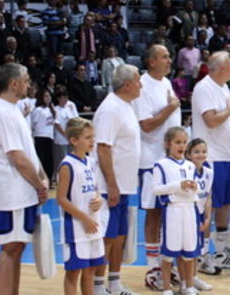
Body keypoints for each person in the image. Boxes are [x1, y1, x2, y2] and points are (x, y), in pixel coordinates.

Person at [0, 63, 48, 295]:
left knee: (18, 247)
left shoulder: (14, 110)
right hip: (13, 193)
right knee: (10, 248)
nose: (29, 84)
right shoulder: (2, 113)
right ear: (14, 84)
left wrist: (41, 177)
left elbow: (27, 151)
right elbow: (18, 158)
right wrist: (39, 184)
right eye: (26, 80)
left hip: (24, 191)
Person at [131, 45, 183, 289]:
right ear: (151, 61)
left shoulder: (165, 83)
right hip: (151, 161)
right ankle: (152, 268)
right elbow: (147, 125)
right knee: (153, 214)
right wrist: (171, 107)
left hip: (170, 160)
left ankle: (165, 266)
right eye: (165, 56)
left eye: (169, 56)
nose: (169, 60)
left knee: (168, 214)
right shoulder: (142, 86)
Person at [92, 63, 142, 295]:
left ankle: (114, 282)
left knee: (120, 236)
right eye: (138, 80)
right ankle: (98, 286)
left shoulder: (126, 106)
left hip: (124, 185)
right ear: (128, 84)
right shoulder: (111, 109)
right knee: (108, 237)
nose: (141, 84)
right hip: (108, 187)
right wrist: (111, 184)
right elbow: (103, 148)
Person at [191, 51, 230, 267]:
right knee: (207, 206)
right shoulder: (205, 88)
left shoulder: (223, 87)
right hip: (212, 157)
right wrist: (229, 109)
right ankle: (202, 254)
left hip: (226, 156)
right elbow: (210, 121)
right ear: (221, 68)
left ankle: (220, 253)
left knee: (225, 205)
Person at [57, 117, 107, 295]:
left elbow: (97, 190)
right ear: (74, 140)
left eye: (93, 137)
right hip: (76, 227)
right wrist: (84, 218)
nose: (92, 141)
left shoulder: (91, 162)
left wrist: (100, 199)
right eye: (88, 137)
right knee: (74, 272)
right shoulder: (67, 165)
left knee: (90, 270)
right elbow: (61, 199)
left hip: (93, 224)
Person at [151, 127, 199, 295]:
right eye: (177, 142)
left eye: (184, 142)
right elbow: (156, 189)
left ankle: (188, 285)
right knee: (169, 251)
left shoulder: (190, 165)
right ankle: (166, 287)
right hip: (172, 211)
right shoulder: (161, 165)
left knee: (189, 250)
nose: (182, 145)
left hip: (189, 210)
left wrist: (194, 187)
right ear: (167, 144)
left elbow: (195, 189)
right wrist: (178, 186)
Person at [185, 139, 215, 289]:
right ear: (189, 154)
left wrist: (208, 217)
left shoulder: (209, 172)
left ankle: (193, 277)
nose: (201, 154)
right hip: (188, 213)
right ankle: (185, 279)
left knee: (196, 249)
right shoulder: (187, 170)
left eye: (203, 151)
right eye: (196, 152)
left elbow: (208, 195)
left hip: (201, 213)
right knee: (188, 249)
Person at [30, 89, 56, 181]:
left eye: (49, 96)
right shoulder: (38, 110)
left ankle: (48, 179)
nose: (48, 98)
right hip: (40, 136)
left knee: (49, 160)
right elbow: (33, 123)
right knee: (41, 159)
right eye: (45, 96)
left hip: (49, 136)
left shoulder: (50, 109)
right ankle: (41, 179)